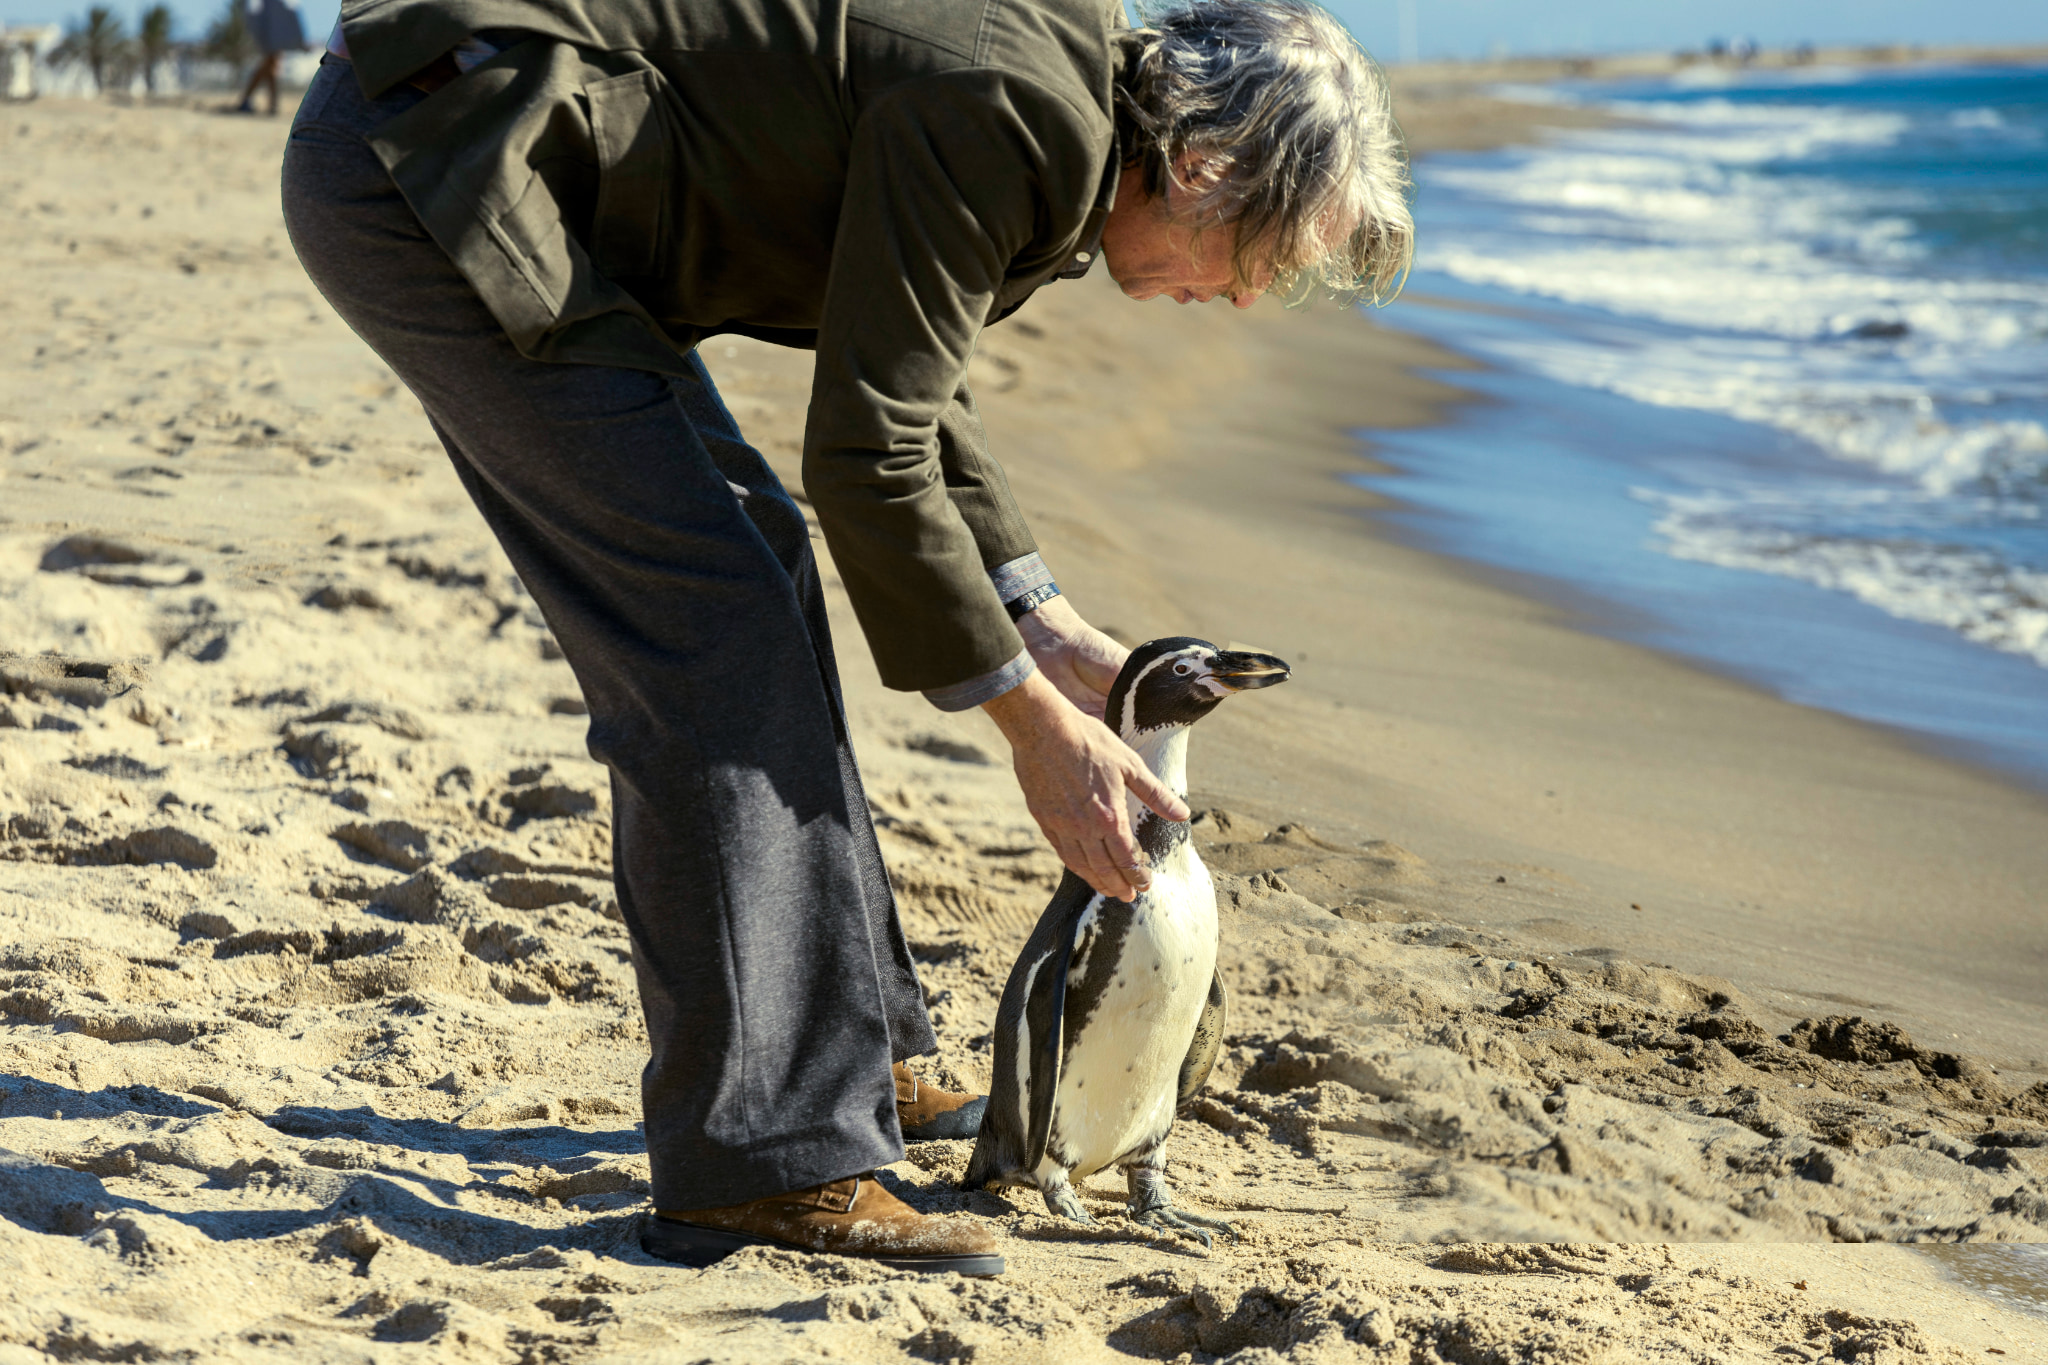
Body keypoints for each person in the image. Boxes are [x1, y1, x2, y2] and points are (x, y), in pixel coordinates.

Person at [282, 0, 1411, 1273]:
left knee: (754, 556)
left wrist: (1044, 623)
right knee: (709, 628)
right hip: (437, 162)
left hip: (492, 144)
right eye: (1262, 251)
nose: (1253, 294)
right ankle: (760, 1163)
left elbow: (903, 372)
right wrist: (1035, 731)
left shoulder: (1066, 110)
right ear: (1204, 165)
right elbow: (867, 458)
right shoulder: (1022, 113)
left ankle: (858, 1046)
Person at [234, 0, 306, 115]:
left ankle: (270, 104)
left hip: (273, 28)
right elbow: (253, 9)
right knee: (270, 62)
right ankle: (265, 103)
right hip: (267, 28)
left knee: (271, 63)